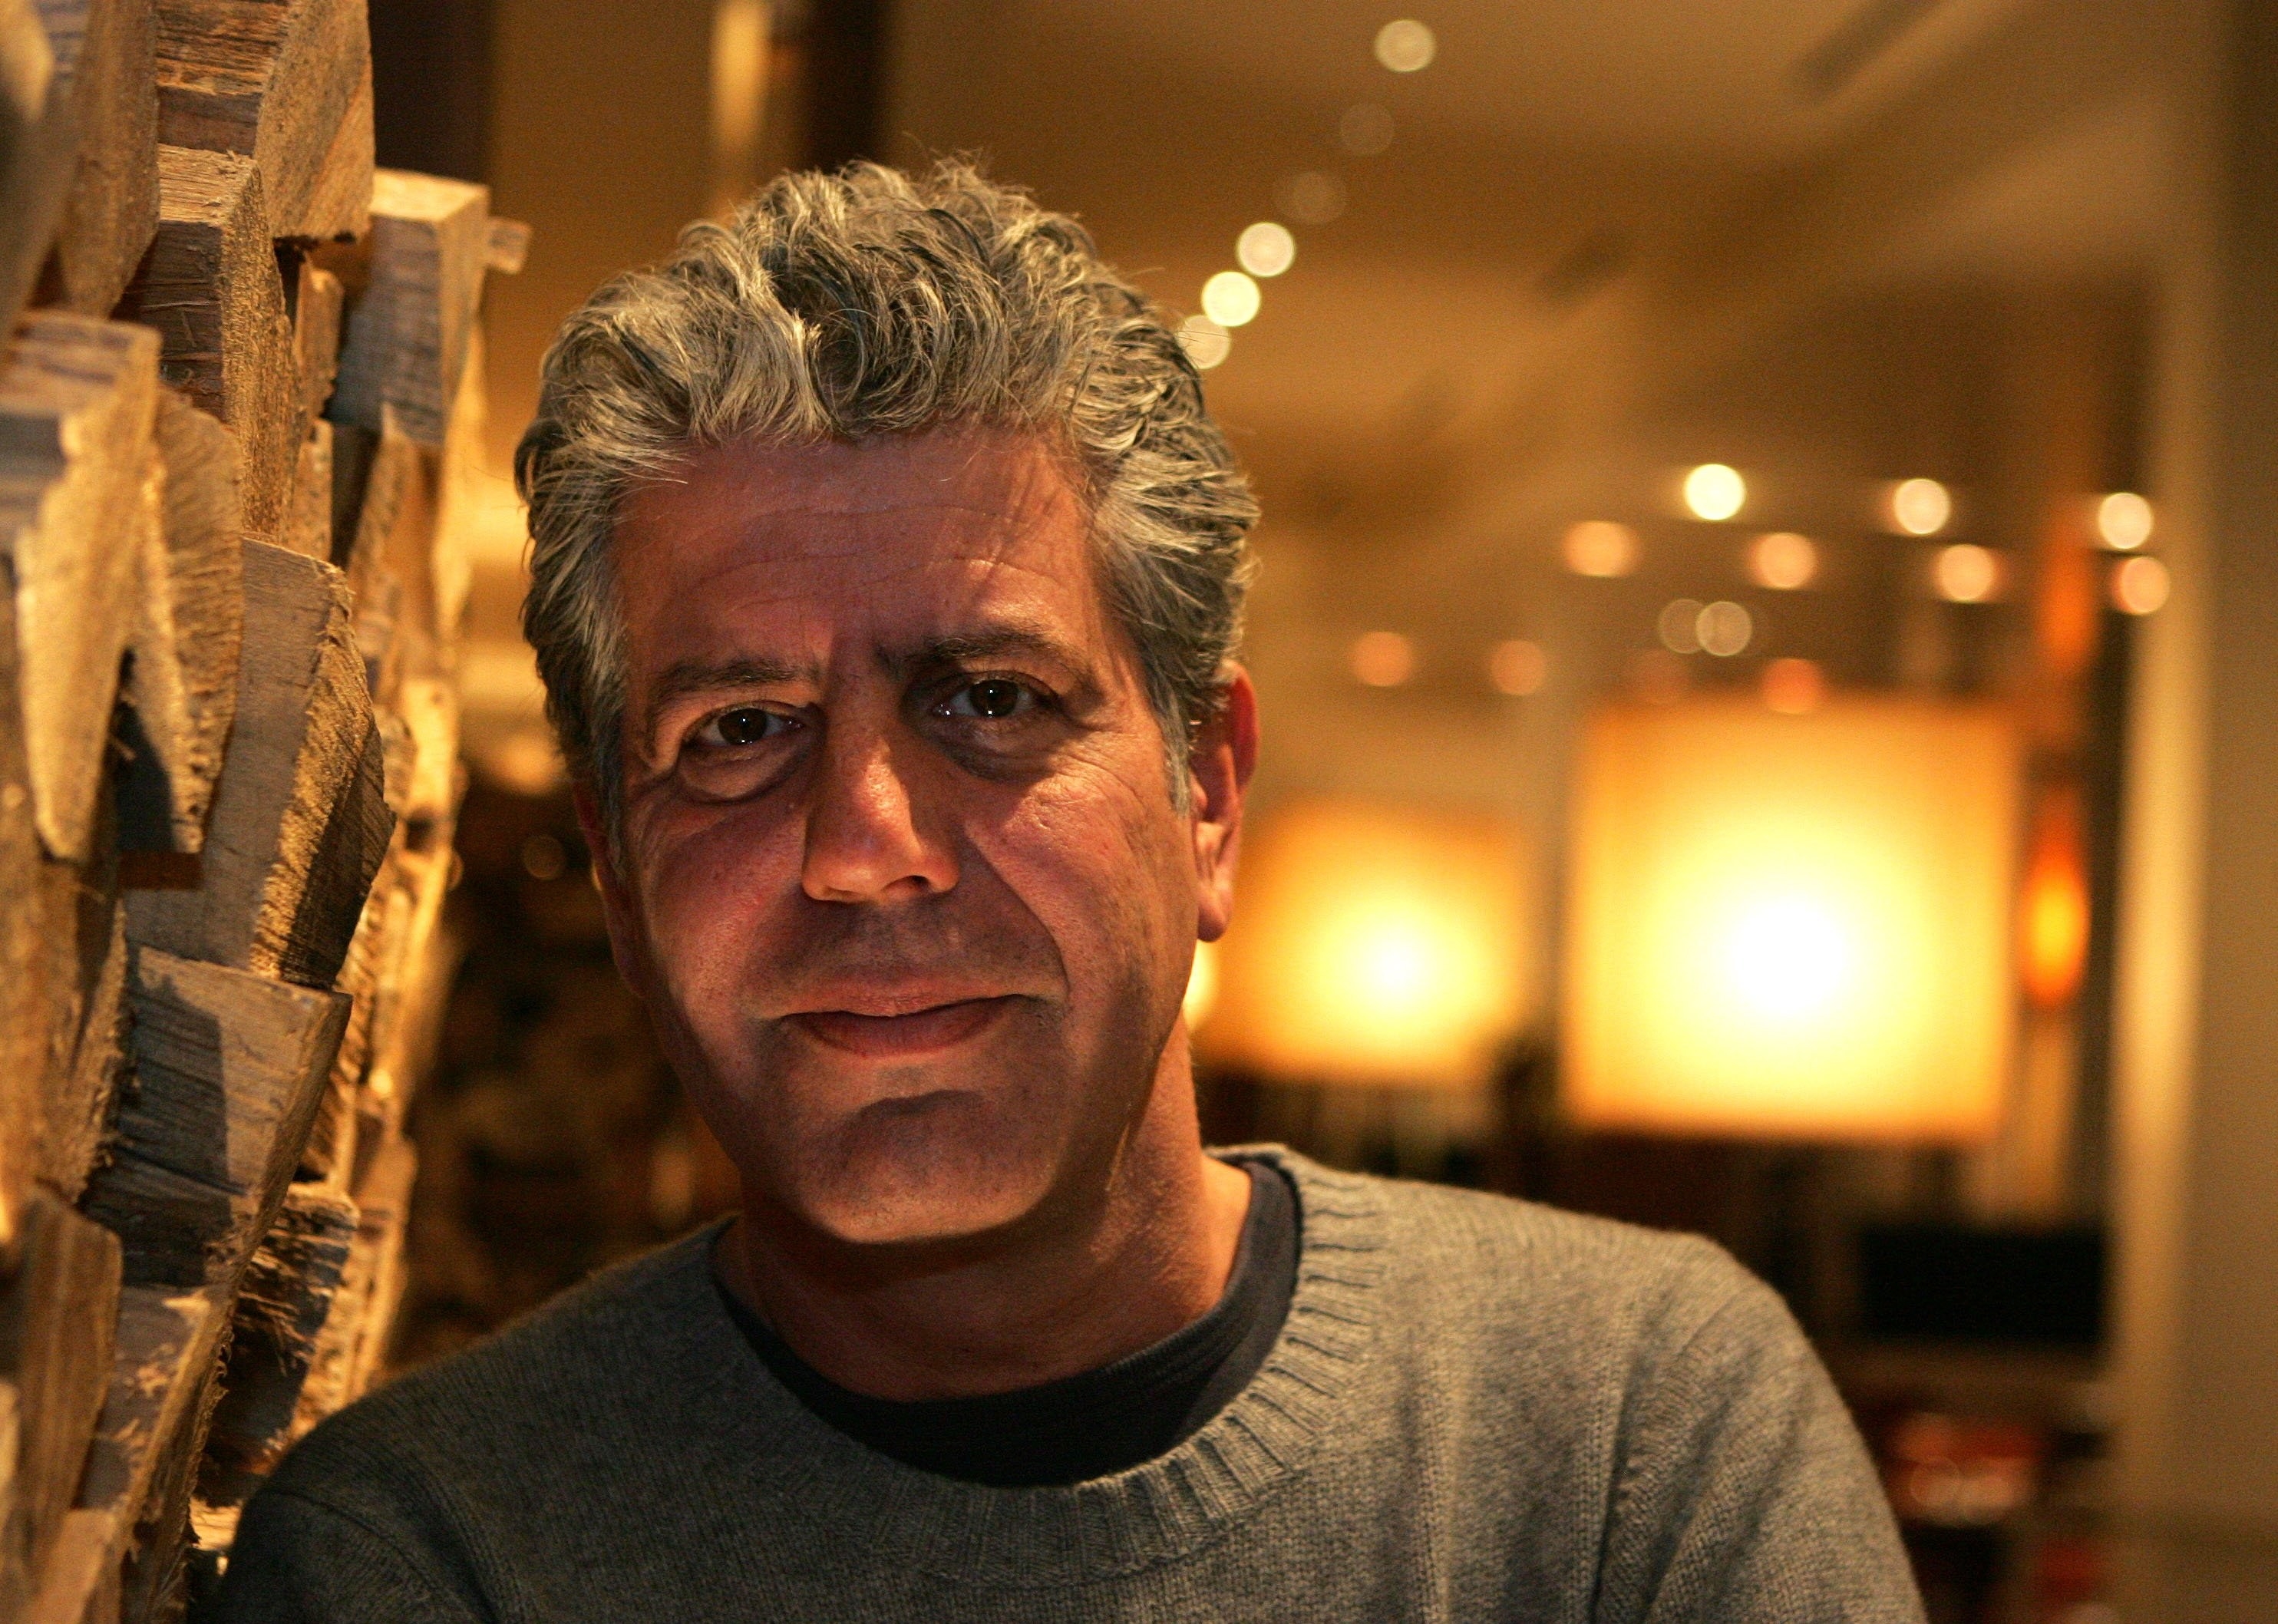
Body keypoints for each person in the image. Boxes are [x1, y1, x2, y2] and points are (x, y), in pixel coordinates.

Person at [215, 163, 1925, 1623]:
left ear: (1206, 790)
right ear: (613, 866)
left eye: (988, 699)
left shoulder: (1629, 1440)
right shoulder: (435, 1557)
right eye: (738, 730)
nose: (862, 836)